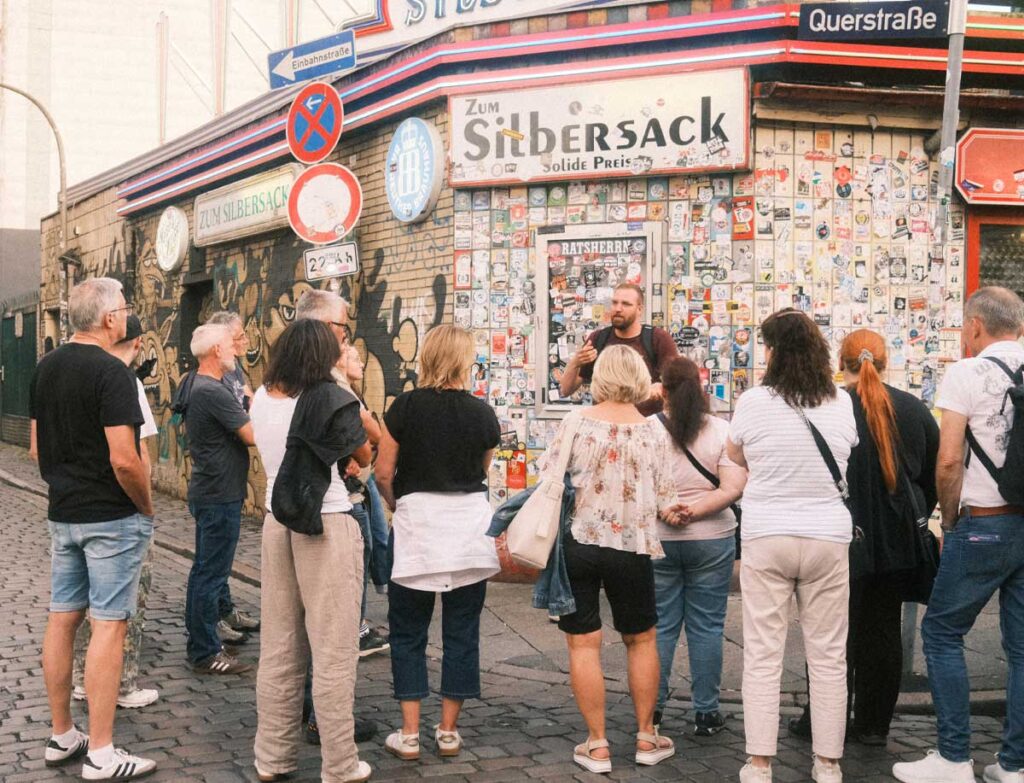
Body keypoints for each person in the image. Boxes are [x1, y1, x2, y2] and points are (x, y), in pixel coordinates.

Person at [894, 287, 1024, 783]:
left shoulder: (967, 372)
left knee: (943, 633)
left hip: (985, 523)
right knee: (1022, 647)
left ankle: (952, 757)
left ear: (975, 326)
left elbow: (948, 460)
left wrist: (948, 521)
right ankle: (1013, 764)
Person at [30, 277, 156, 780]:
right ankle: (102, 752)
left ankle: (63, 735)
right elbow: (125, 459)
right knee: (109, 624)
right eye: (124, 308)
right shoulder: (113, 374)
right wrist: (145, 506)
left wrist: (66, 487)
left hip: (64, 514)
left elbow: (38, 450)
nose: (126, 315)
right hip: (111, 516)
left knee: (63, 618)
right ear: (109, 319)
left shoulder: (44, 370)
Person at [726, 308, 858, 783]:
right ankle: (828, 764)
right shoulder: (841, 402)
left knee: (763, 652)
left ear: (774, 351)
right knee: (828, 654)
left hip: (767, 534)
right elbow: (848, 452)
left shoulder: (753, 402)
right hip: (827, 535)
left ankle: (760, 762)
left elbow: (735, 454)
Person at [791, 329, 938, 747]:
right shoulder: (912, 408)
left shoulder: (826, 406)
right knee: (883, 631)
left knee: (832, 634)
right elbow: (930, 472)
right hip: (895, 539)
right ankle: (875, 725)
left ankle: (822, 719)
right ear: (886, 361)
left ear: (841, 362)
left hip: (839, 532)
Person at [545, 345, 680, 774]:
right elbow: (666, 499)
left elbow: (548, 478)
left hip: (579, 543)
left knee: (583, 643)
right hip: (631, 546)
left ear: (600, 376)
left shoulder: (574, 422)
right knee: (641, 639)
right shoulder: (653, 430)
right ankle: (646, 736)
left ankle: (598, 744)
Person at [251, 318, 372, 783]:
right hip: (326, 522)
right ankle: (340, 763)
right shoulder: (329, 399)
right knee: (334, 651)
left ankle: (272, 758)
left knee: (279, 649)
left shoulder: (262, 397)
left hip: (276, 522)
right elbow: (361, 457)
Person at [374, 325, 501, 762]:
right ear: (464, 360)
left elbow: (383, 473)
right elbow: (481, 471)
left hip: (418, 530)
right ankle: (448, 731)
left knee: (408, 632)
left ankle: (409, 734)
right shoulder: (483, 414)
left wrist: (399, 504)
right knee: (462, 632)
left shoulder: (404, 408)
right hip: (467, 530)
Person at [295, 289, 382, 745]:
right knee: (337, 627)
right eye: (344, 329)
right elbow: (366, 443)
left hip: (293, 515)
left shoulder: (282, 382)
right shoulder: (326, 387)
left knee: (307, 630)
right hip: (331, 511)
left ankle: (307, 714)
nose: (349, 340)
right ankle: (327, 723)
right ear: (327, 330)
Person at [69, 315, 164, 710]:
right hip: (119, 511)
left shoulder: (74, 375)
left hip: (74, 508)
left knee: (81, 605)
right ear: (138, 343)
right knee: (125, 606)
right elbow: (138, 453)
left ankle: (80, 680)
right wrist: (146, 505)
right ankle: (122, 684)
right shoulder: (125, 381)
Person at [650, 357, 746, 735]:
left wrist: (669, 510)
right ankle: (706, 713)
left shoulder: (646, 430)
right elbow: (733, 487)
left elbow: (635, 488)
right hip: (713, 539)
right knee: (707, 627)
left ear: (663, 388)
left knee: (660, 626)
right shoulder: (722, 430)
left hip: (660, 538)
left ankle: (652, 710)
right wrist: (695, 510)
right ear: (700, 385)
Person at [183, 323, 257, 675]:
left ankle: (203, 642)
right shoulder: (212, 391)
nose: (234, 349)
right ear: (215, 350)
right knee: (210, 574)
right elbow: (250, 434)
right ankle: (204, 651)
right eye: (230, 343)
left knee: (205, 572)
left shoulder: (201, 386)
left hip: (213, 490)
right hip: (218, 493)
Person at [558, 282, 679, 416]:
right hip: (604, 427)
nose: (618, 308)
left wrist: (658, 388)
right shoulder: (598, 338)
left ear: (640, 309)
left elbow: (678, 386)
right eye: (615, 303)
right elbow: (565, 390)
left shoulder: (658, 339)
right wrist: (575, 362)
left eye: (626, 304)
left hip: (642, 427)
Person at [208, 310, 255, 411]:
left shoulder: (233, 364)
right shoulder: (214, 377)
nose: (246, 341)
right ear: (225, 341)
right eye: (241, 337)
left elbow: (250, 398)